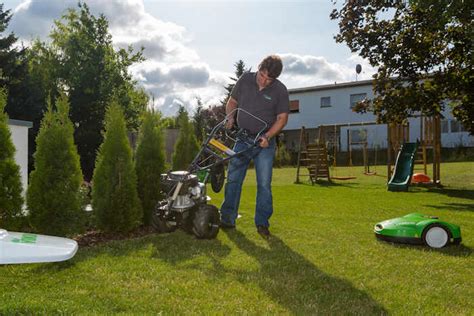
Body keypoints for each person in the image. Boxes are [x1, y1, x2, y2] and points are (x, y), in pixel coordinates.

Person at [220, 55, 289, 237]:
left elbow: (282, 119)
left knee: (264, 184)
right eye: (262, 75)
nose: (264, 81)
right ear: (259, 68)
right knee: (234, 179)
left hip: (264, 143)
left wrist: (267, 136)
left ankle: (262, 223)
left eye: (269, 79)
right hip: (242, 139)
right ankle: (227, 219)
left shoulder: (280, 90)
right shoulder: (245, 79)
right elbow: (232, 102)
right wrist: (230, 117)